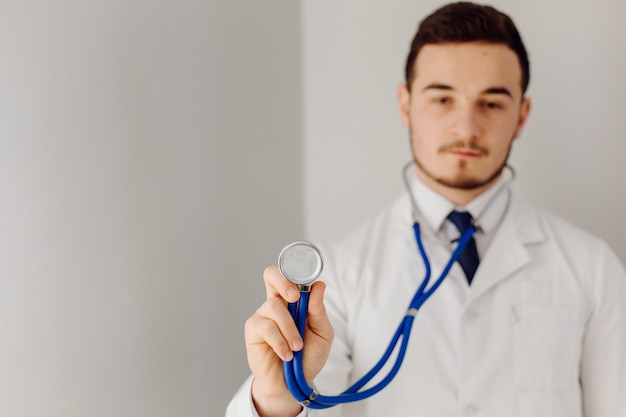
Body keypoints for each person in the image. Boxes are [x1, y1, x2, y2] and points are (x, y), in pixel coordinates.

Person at [226, 2, 626, 416]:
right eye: (442, 99)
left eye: (491, 103)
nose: (466, 127)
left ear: (521, 116)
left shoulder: (592, 268)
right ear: (406, 105)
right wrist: (275, 400)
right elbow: (305, 399)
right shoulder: (340, 277)